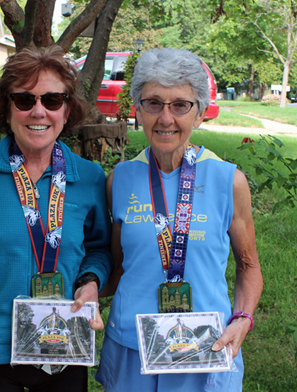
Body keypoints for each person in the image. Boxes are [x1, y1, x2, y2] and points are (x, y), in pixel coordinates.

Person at [96, 48, 263, 392]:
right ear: (137, 110)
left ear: (200, 113)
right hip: (132, 345)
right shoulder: (121, 179)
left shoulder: (228, 181)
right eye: (153, 103)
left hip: (207, 345)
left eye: (180, 105)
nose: (165, 118)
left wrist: (242, 320)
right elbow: (117, 266)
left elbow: (249, 267)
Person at [0, 45, 112, 392]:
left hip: (65, 343)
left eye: (52, 100)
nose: (38, 111)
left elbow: (100, 248)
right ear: (7, 109)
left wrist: (90, 281)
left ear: (67, 109)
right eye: (24, 100)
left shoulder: (88, 177)